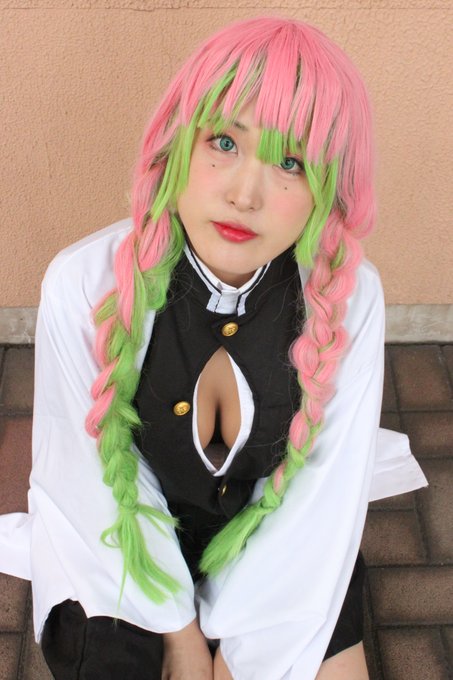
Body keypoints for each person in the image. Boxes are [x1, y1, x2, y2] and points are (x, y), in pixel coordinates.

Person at [0, 15, 427, 680]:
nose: (243, 194)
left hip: (282, 548)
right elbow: (86, 479)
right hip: (121, 547)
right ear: (177, 143)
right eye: (224, 142)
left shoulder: (349, 296)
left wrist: (243, 650)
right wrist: (181, 632)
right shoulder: (83, 282)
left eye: (290, 162)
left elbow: (318, 493)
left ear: (330, 187)